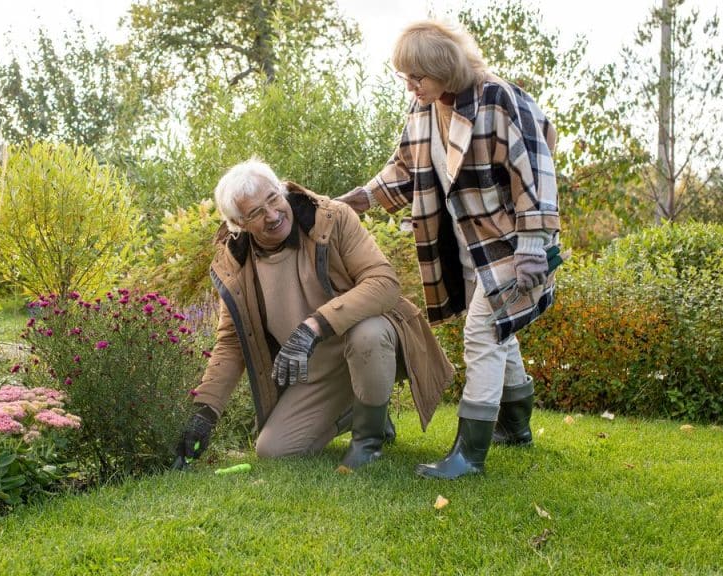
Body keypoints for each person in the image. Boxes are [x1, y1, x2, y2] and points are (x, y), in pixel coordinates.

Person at [336, 20, 560, 479]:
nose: (410, 85)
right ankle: (515, 427)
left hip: (512, 245)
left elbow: (534, 172)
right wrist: (352, 202)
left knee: (481, 332)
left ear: (444, 67)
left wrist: (534, 247)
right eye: (405, 76)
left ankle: (469, 455)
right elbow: (402, 171)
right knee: (500, 328)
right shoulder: (424, 108)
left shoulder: (497, 98)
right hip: (466, 245)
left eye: (417, 76)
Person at [175, 158, 453, 471]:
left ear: (281, 189)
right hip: (319, 370)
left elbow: (384, 283)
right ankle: (358, 408)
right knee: (273, 450)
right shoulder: (237, 264)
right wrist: (205, 411)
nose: (272, 215)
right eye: (255, 213)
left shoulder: (332, 217)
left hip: (369, 343)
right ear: (239, 224)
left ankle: (368, 442)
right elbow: (231, 341)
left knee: (368, 333)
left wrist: (313, 326)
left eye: (273, 198)